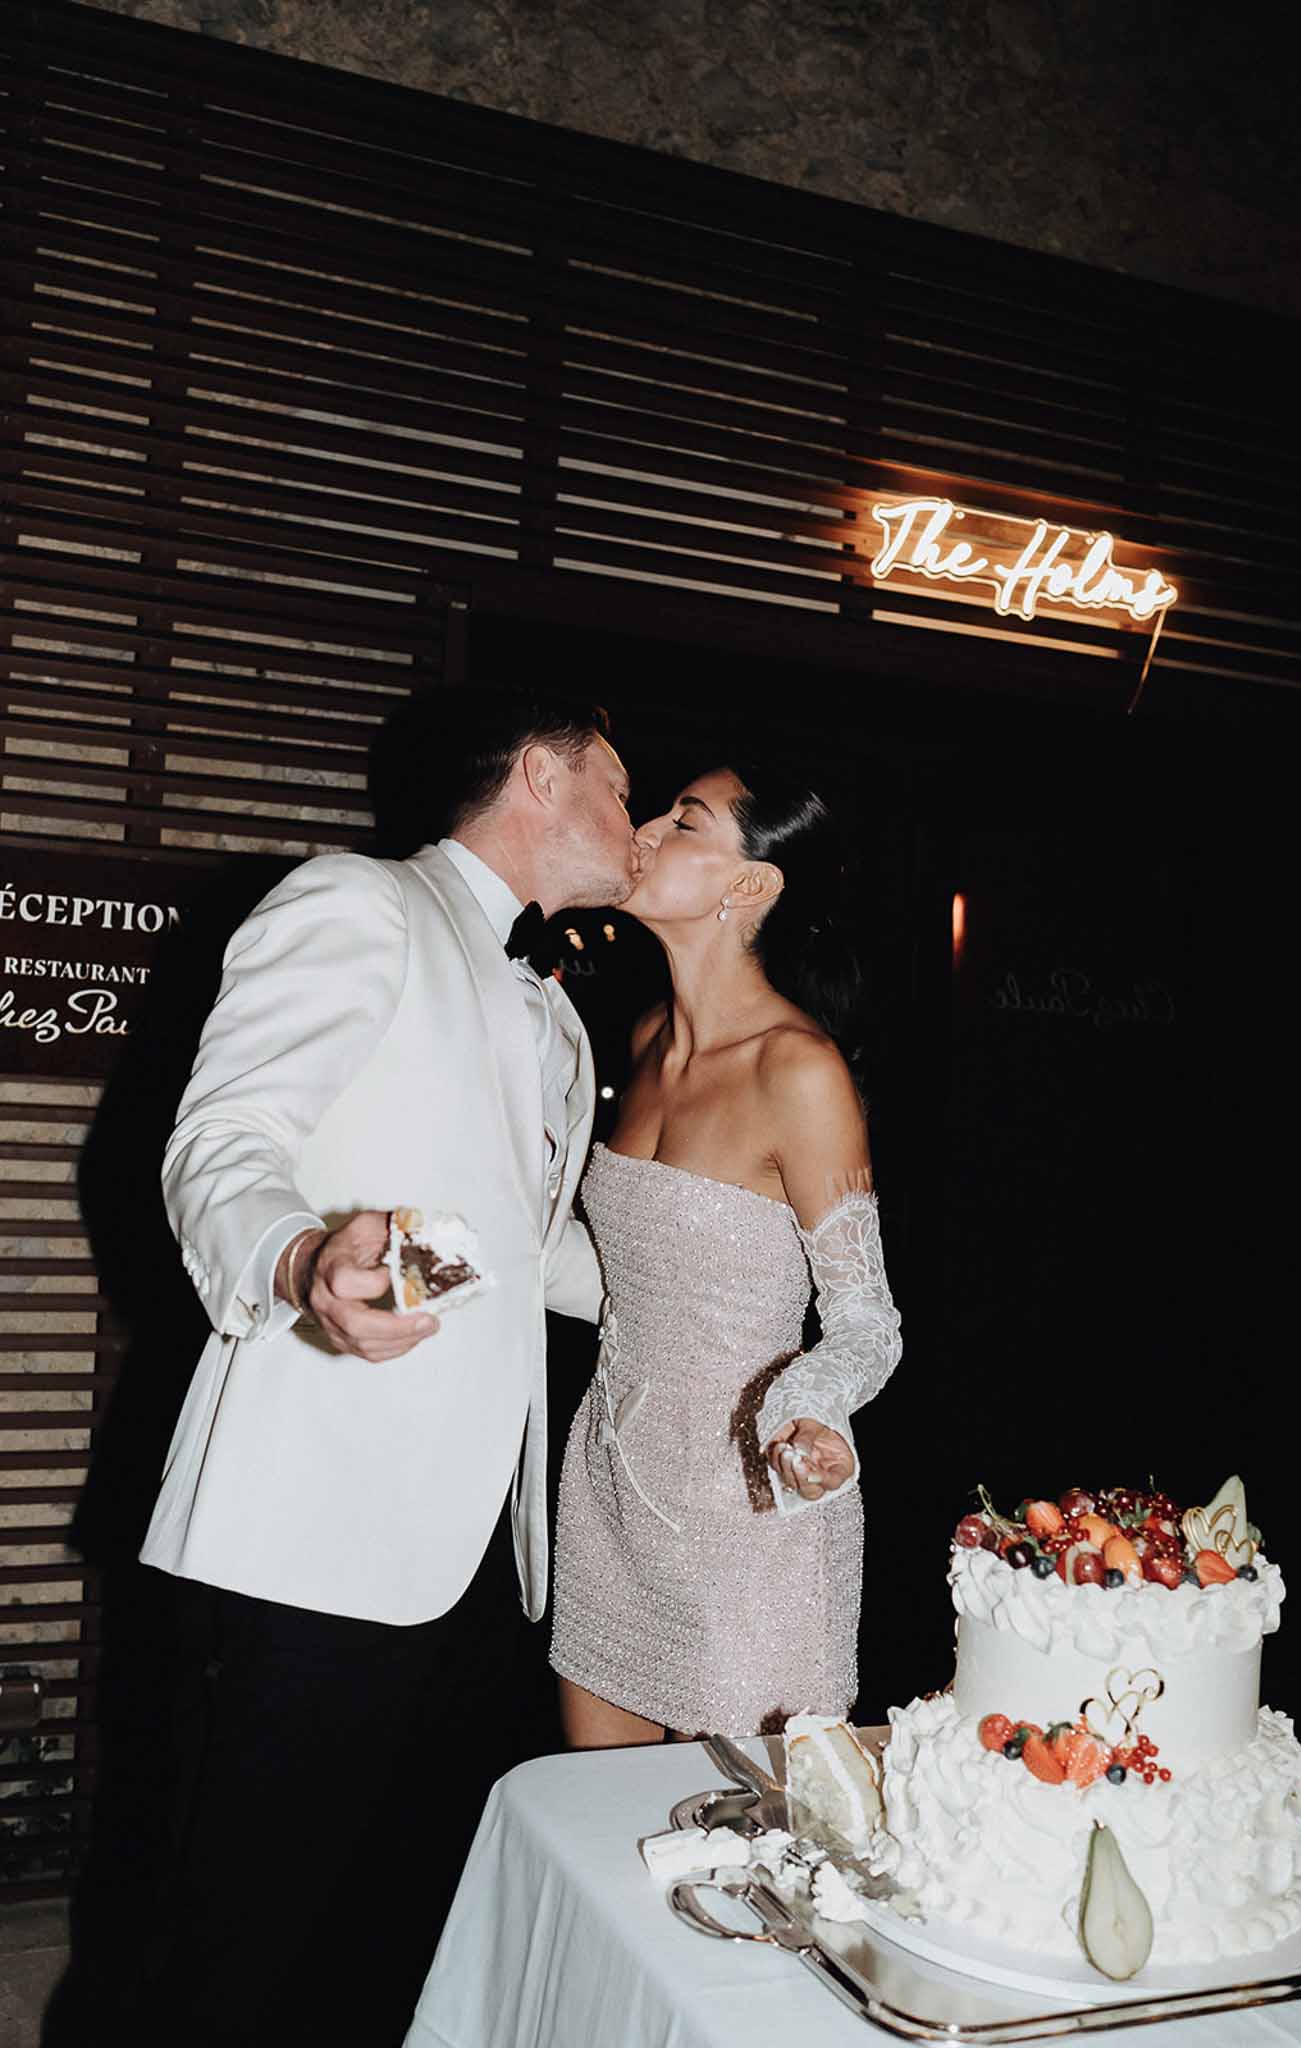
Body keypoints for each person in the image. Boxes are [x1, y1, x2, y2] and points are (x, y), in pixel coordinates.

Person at [138, 687, 639, 2045]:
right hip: (312, 1535)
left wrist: (712, 1300)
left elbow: (514, 1252)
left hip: (484, 1550)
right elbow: (222, 1143)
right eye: (615, 785)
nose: (634, 821)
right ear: (540, 776)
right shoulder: (359, 903)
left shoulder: (557, 1013)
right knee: (233, 1948)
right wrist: (301, 1257)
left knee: (386, 1943)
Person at [550, 760, 901, 1744]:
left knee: (741, 1834)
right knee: (598, 1818)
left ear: (751, 883)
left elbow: (867, 1321)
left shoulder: (798, 1069)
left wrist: (805, 1408)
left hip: (749, 1502)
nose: (645, 829)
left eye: (684, 821)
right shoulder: (645, 1038)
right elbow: (630, 1278)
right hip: (611, 1483)